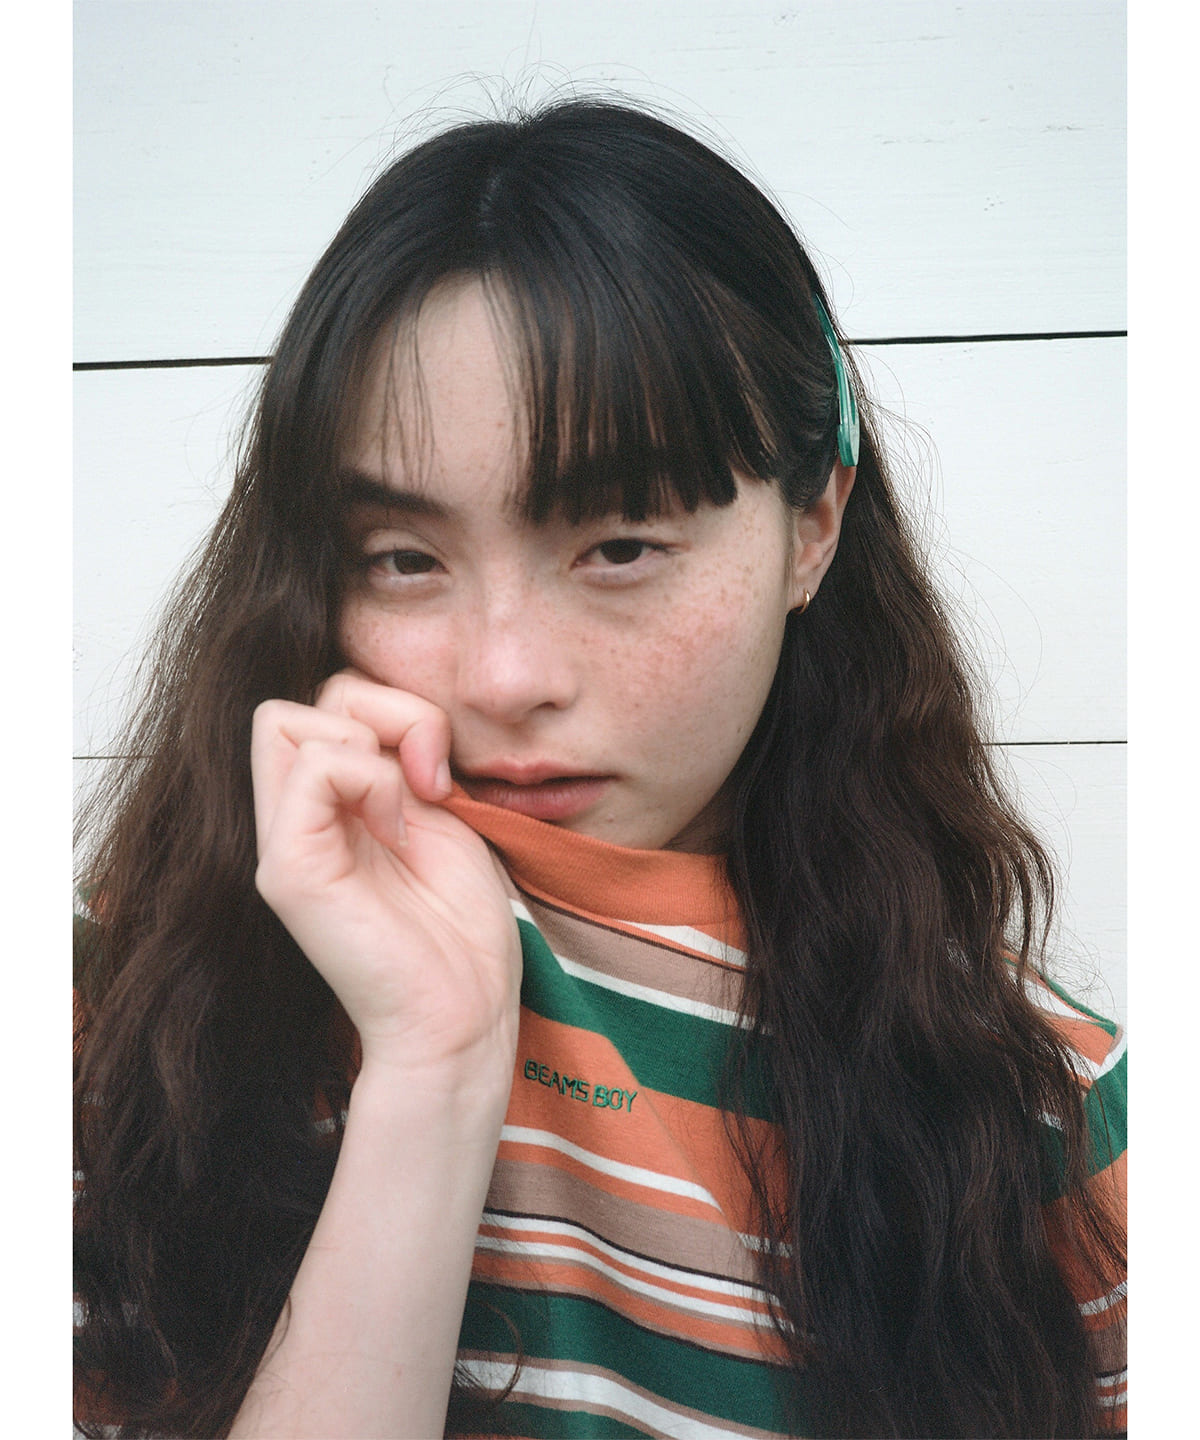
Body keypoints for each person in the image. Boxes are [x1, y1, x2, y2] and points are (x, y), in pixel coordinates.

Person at [73, 97, 1126, 1440]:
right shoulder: (149, 1007)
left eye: (620, 546)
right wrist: (434, 1072)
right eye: (405, 558)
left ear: (813, 523)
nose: (506, 674)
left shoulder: (1034, 1103)